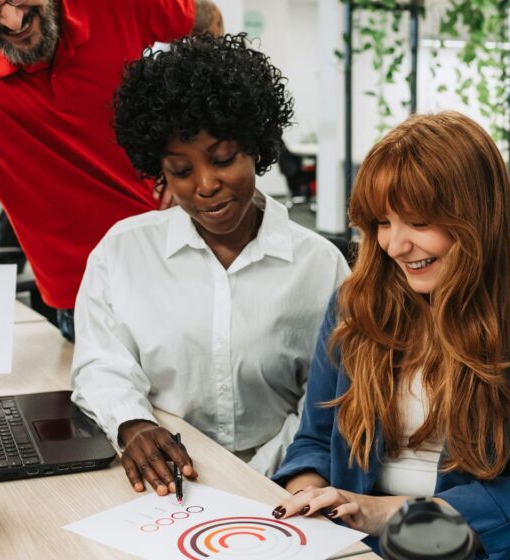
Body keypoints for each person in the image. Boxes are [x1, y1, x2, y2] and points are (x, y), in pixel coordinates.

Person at [271, 111, 510, 560]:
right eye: (383, 223)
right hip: (347, 543)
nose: (395, 245)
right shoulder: (356, 305)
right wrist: (311, 503)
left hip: (459, 547)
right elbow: (315, 439)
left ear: (476, 219)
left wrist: (381, 514)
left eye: (418, 223)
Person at [0, 0, 223, 397]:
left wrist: (187, 151)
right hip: (86, 302)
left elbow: (209, 20)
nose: (12, 19)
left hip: (188, 266)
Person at [71, 33, 351, 493]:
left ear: (257, 149)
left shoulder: (319, 267)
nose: (206, 185)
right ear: (159, 170)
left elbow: (328, 398)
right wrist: (134, 426)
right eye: (181, 171)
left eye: (223, 160)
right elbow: (102, 362)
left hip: (286, 481)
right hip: (158, 481)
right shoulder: (123, 252)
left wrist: (255, 474)